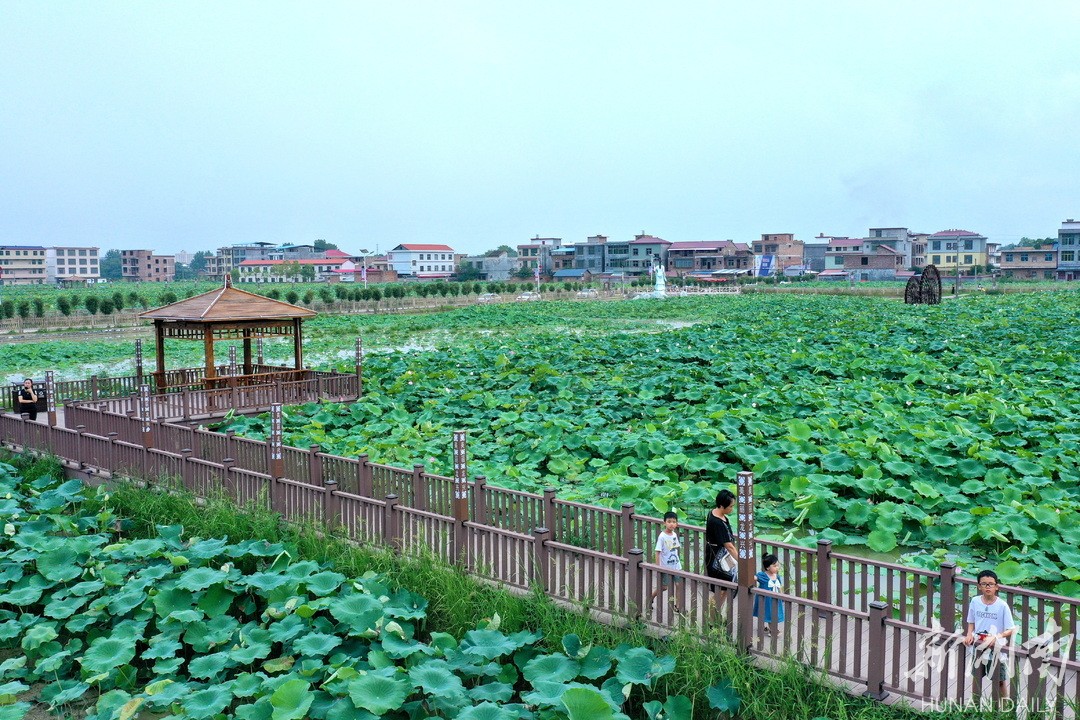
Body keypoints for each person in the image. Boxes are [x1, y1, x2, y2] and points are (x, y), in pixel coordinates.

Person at [963, 570, 1016, 701]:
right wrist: (969, 634)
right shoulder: (975, 601)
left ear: (996, 587)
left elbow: (1011, 629)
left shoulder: (1002, 606)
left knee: (1000, 680)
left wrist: (996, 637)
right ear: (979, 586)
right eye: (984, 584)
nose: (988, 587)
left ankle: (1004, 707)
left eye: (991, 584)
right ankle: (975, 705)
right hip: (978, 645)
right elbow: (971, 620)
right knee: (976, 677)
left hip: (996, 647)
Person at [649, 511, 683, 614]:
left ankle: (678, 606)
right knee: (664, 587)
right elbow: (657, 552)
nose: (671, 524)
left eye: (674, 522)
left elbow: (675, 548)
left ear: (676, 524)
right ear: (664, 523)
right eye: (669, 521)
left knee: (679, 585)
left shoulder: (674, 534)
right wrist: (658, 567)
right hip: (665, 566)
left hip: (676, 565)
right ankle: (650, 598)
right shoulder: (662, 536)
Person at [704, 489, 738, 590]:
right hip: (716, 557)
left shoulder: (713, 512)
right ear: (722, 506)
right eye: (731, 506)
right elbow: (729, 546)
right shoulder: (717, 523)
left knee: (724, 588)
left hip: (720, 555)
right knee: (721, 588)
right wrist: (741, 561)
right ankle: (712, 602)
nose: (732, 509)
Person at [753, 554, 785, 632]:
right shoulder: (762, 576)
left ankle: (764, 628)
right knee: (765, 613)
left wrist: (782, 596)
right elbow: (754, 578)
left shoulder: (777, 576)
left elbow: (779, 586)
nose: (777, 567)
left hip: (775, 599)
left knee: (773, 613)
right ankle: (772, 630)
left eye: (778, 565)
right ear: (767, 567)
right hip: (765, 599)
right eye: (774, 566)